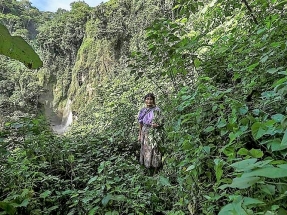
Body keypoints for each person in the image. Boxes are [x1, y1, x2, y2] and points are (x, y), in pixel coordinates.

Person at [138, 93, 164, 172]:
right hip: (145, 131)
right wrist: (139, 134)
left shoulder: (157, 110)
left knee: (155, 149)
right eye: (147, 99)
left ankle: (156, 168)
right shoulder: (142, 111)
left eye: (151, 99)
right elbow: (140, 123)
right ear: (145, 100)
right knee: (146, 149)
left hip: (155, 132)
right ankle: (147, 167)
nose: (149, 101)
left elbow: (162, 121)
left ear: (153, 100)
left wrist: (157, 125)